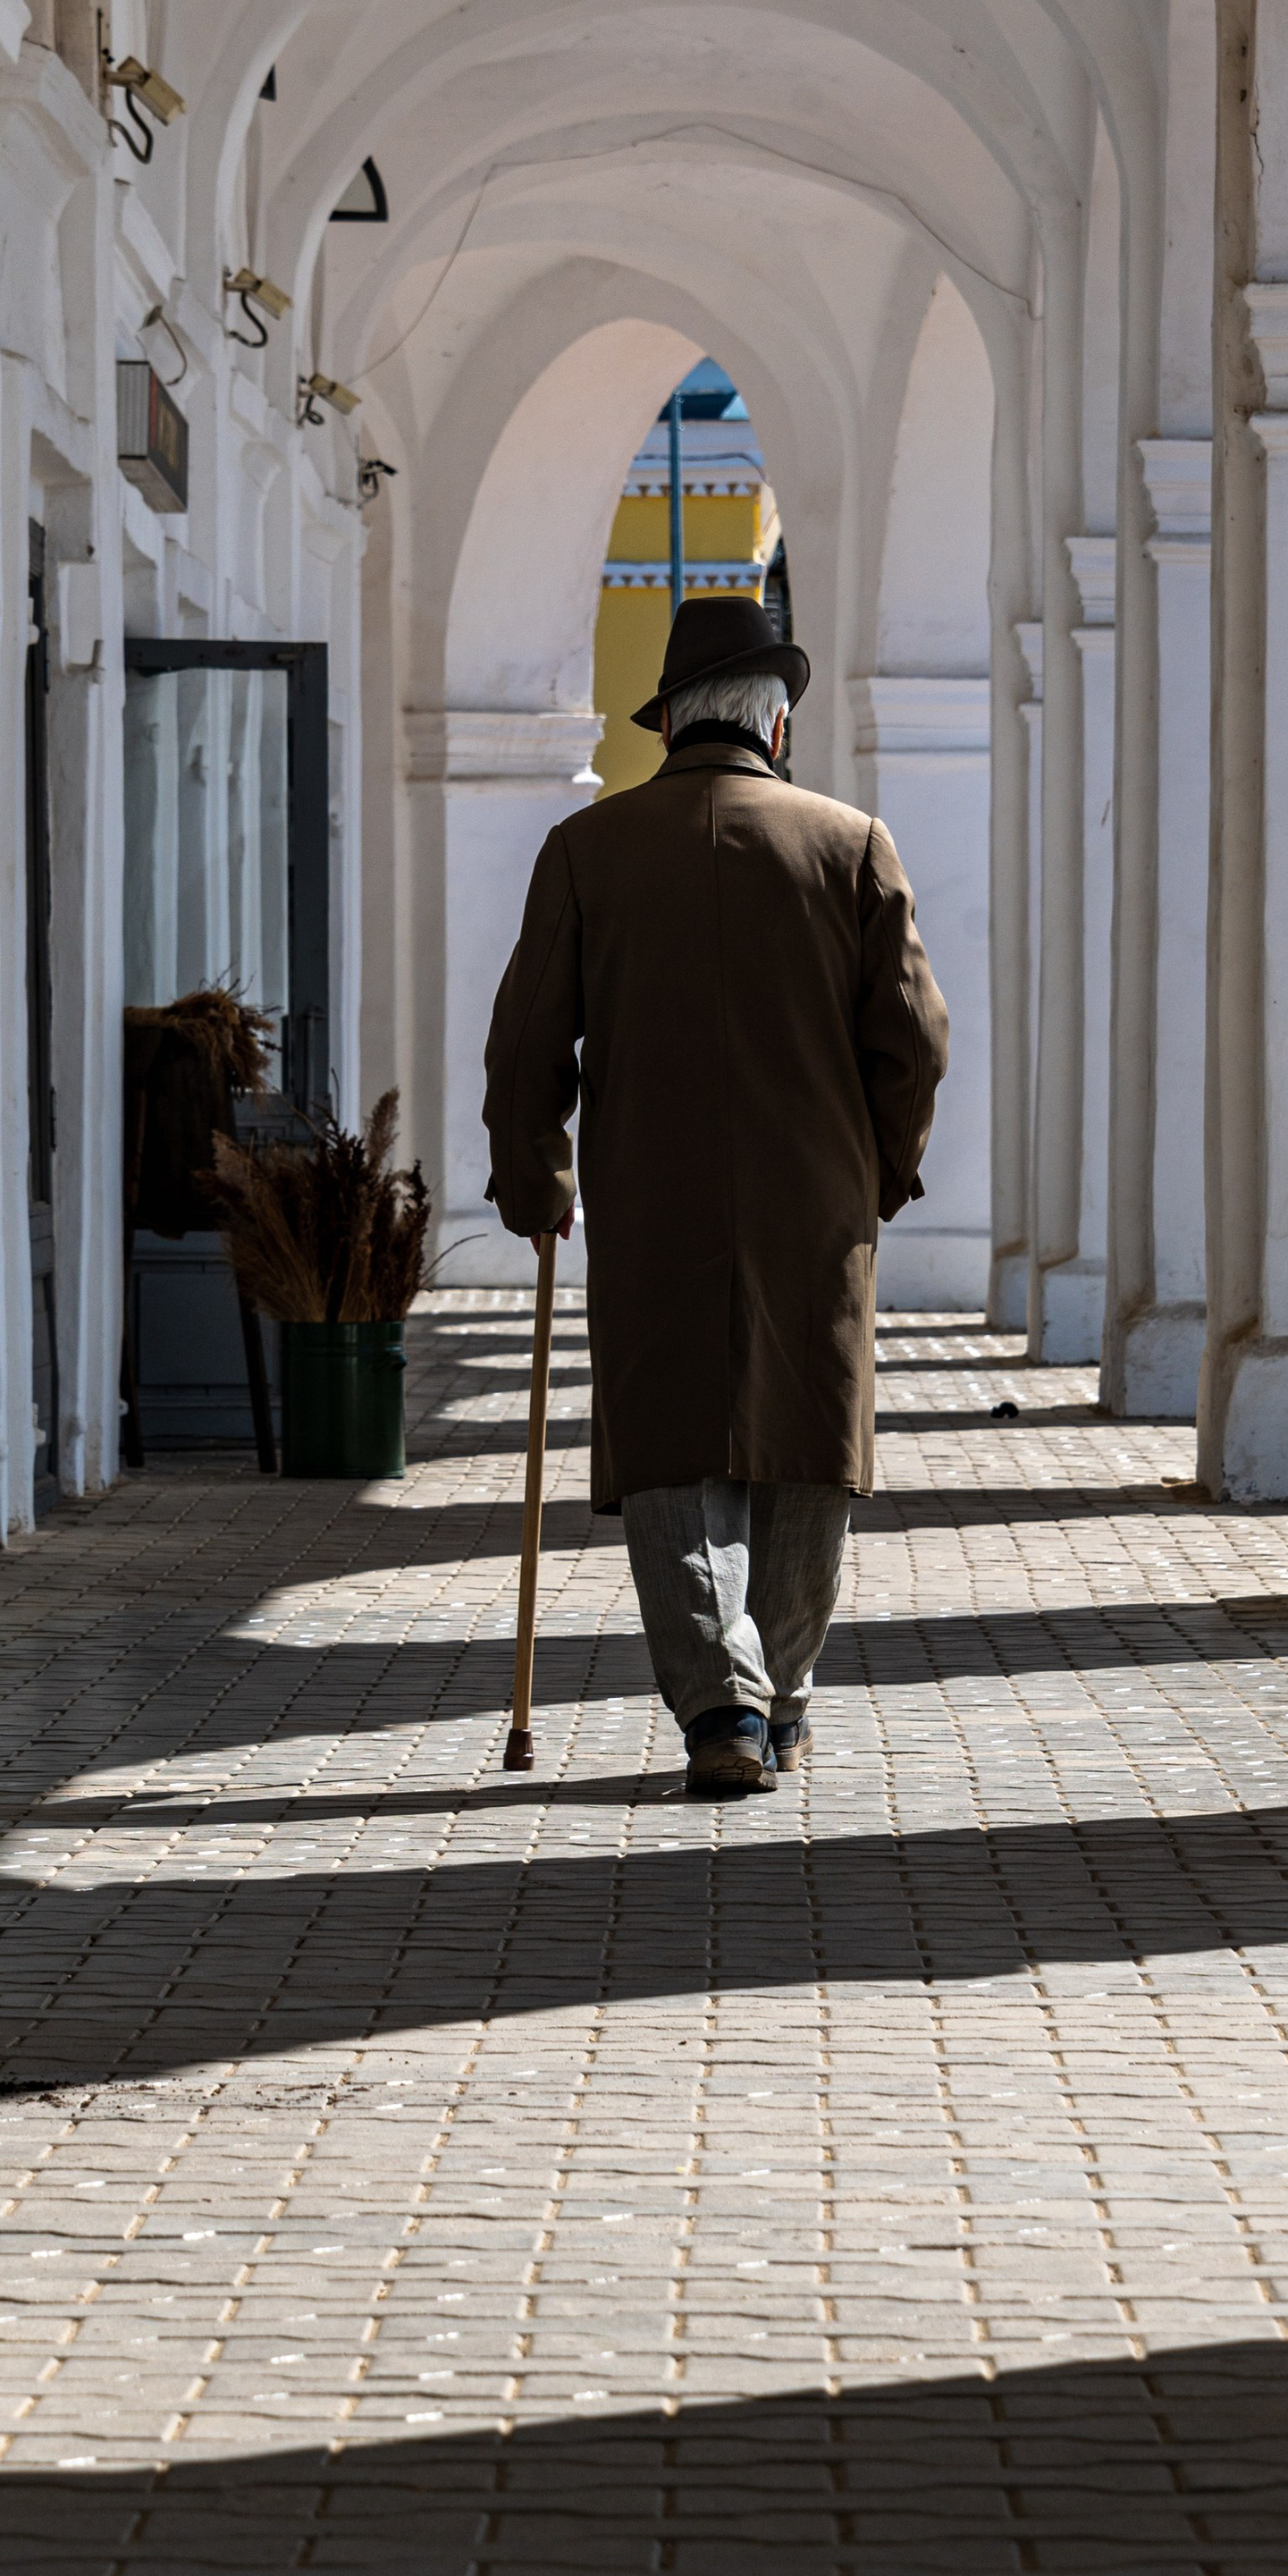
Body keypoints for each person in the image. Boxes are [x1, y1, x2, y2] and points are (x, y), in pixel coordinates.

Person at [482, 590, 950, 1796]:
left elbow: (528, 1040)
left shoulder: (589, 850)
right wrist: (883, 1170)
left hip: (656, 1205)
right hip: (816, 1203)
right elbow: (913, 1041)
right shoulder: (851, 845)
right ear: (776, 725)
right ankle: (779, 1693)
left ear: (671, 723)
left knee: (674, 1449)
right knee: (805, 1446)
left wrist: (535, 1178)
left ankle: (720, 1706)